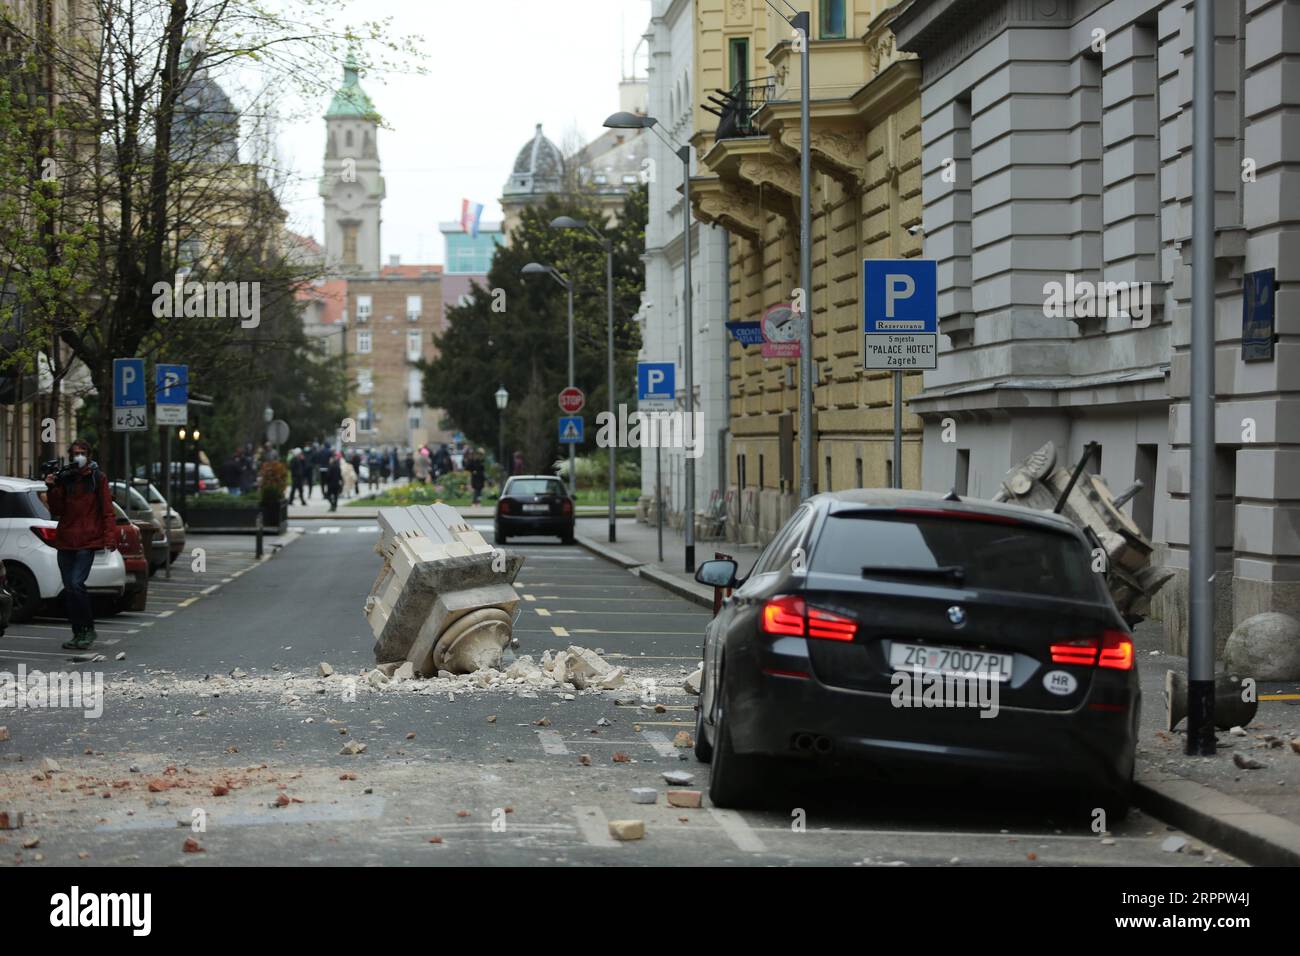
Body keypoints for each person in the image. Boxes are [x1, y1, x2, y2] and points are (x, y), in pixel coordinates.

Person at [45, 440, 116, 651]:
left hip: (87, 540)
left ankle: (88, 628)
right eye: (75, 453)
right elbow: (57, 509)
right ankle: (78, 632)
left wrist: (109, 537)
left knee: (76, 584)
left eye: (82, 453)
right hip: (66, 540)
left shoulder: (97, 478)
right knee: (69, 589)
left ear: (89, 455)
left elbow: (107, 510)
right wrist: (51, 487)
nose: (79, 456)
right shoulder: (65, 478)